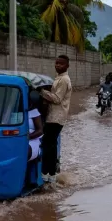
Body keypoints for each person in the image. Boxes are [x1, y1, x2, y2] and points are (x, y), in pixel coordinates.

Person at [38, 55, 73, 183]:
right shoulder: (59, 78)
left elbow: (57, 99)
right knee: (51, 145)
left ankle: (47, 174)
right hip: (54, 116)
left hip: (56, 117)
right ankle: (50, 175)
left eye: (61, 64)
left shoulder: (64, 80)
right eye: (57, 63)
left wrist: (41, 92)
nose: (58, 65)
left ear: (67, 66)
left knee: (47, 145)